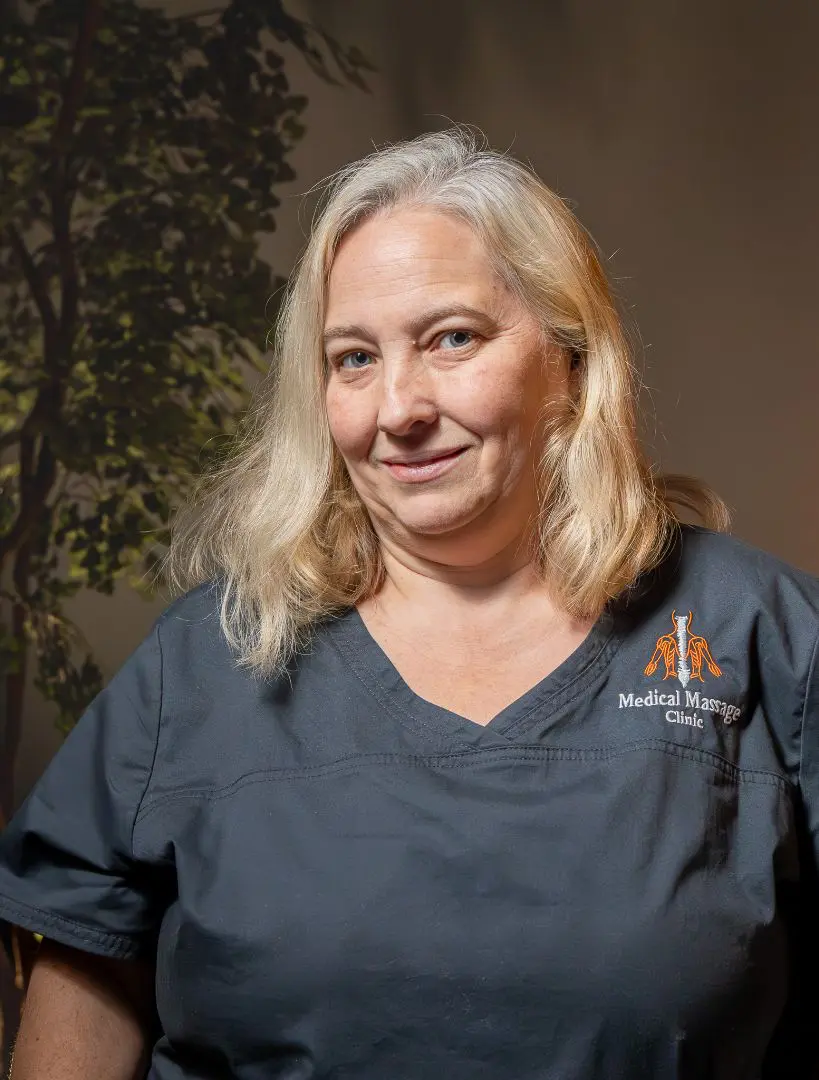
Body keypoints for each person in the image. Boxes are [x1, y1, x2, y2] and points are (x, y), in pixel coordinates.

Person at [0, 125, 817, 1080]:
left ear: (571, 361)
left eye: (451, 339)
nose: (398, 408)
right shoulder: (204, 662)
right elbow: (83, 1017)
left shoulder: (755, 631)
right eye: (353, 359)